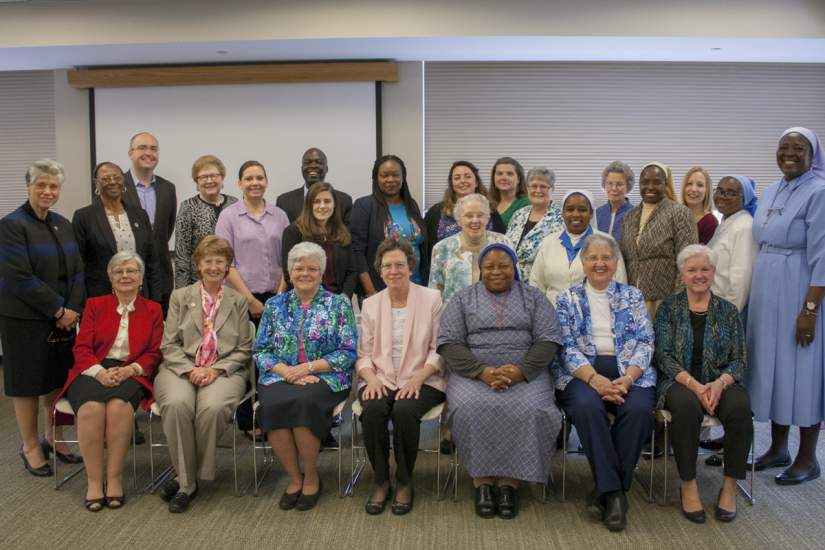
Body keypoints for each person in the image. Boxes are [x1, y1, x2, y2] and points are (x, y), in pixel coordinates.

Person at [437, 243, 563, 520]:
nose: (496, 271)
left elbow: (548, 339)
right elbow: (449, 343)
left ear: (514, 268)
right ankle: (481, 482)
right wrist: (482, 372)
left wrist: (520, 371)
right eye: (489, 266)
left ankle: (510, 482)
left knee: (533, 409)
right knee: (469, 408)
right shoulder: (462, 298)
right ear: (480, 270)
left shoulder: (533, 297)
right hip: (473, 374)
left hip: (526, 373)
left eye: (504, 266)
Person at [554, 233, 656, 532]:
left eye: (606, 258)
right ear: (584, 262)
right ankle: (616, 493)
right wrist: (595, 379)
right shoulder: (566, 298)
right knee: (586, 406)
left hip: (630, 371)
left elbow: (645, 341)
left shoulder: (633, 296)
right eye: (593, 258)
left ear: (615, 263)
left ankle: (607, 490)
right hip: (582, 372)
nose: (600, 263)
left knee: (637, 410)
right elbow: (566, 346)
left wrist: (628, 378)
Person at [747, 127, 825, 485]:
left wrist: (809, 311)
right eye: (783, 147)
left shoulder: (819, 191)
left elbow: (823, 256)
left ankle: (808, 458)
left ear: (813, 155)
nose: (789, 154)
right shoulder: (772, 189)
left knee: (802, 371)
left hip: (800, 286)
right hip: (767, 285)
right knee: (774, 369)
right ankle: (778, 448)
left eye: (798, 148)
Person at [254, 242, 357, 511]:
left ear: (322, 273)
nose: (305, 273)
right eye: (299, 268)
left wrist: (308, 368)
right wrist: (286, 372)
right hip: (279, 375)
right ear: (289, 272)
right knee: (274, 405)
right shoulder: (275, 305)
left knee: (303, 403)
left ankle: (311, 477)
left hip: (326, 376)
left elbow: (348, 351)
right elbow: (261, 350)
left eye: (312, 268)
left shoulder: (338, 304)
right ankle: (294, 477)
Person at [154, 236, 253, 513]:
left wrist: (215, 369)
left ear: (227, 267)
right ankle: (188, 482)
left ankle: (184, 478)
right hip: (179, 367)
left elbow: (244, 349)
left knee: (212, 407)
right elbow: (169, 345)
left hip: (223, 369)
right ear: (198, 265)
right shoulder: (180, 297)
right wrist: (190, 370)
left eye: (219, 262)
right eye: (207, 261)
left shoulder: (237, 301)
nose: (213, 267)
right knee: (176, 404)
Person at [57, 252, 163, 511]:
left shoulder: (153, 309)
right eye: (119, 271)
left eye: (131, 271)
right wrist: (99, 372)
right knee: (91, 408)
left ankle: (114, 479)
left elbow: (154, 352)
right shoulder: (95, 305)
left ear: (140, 278)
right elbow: (82, 348)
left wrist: (129, 371)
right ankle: (94, 481)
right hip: (92, 369)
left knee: (118, 407)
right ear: (110, 278)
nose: (125, 276)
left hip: (132, 371)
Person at [0, 159, 84, 478]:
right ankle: (30, 446)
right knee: (27, 385)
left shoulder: (62, 223)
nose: (48, 191)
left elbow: (76, 270)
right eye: (41, 185)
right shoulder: (11, 225)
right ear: (29, 187)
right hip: (24, 318)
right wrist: (58, 310)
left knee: (56, 382)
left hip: (63, 318)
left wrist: (72, 309)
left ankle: (56, 438)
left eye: (53, 186)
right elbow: (19, 277)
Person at [655, 244, 751, 523]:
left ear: (713, 273)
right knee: (685, 408)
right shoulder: (668, 308)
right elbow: (663, 355)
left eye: (705, 269)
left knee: (740, 407)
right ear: (682, 275)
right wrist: (697, 386)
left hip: (721, 381)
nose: (699, 275)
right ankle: (689, 485)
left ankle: (730, 486)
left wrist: (720, 383)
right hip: (679, 382)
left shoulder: (728, 311)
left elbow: (740, 360)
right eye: (692, 270)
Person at [357, 238, 445, 515]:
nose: (393, 271)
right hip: (381, 378)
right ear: (379, 271)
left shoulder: (431, 298)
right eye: (387, 266)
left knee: (405, 410)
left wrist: (419, 378)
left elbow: (439, 349)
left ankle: (405, 481)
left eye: (399, 265)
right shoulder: (371, 304)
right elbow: (363, 353)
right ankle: (381, 480)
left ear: (410, 267)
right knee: (372, 410)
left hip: (424, 377)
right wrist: (370, 379)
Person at [73, 162, 162, 301]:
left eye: (117, 177)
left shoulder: (140, 214)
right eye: (106, 178)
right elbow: (78, 264)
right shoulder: (84, 217)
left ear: (123, 181)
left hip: (139, 296)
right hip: (101, 297)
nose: (113, 182)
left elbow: (152, 261)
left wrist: (156, 301)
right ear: (96, 183)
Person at [620, 162, 698, 320]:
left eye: (657, 182)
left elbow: (688, 262)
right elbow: (625, 260)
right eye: (645, 182)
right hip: (632, 301)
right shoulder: (628, 217)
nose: (650, 187)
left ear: (666, 185)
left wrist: (678, 303)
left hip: (665, 301)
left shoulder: (679, 213)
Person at [215, 160, 290, 320]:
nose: (255, 183)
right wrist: (249, 300)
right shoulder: (227, 217)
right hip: (241, 300)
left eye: (259, 178)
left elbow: (289, 261)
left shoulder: (280, 216)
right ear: (239, 183)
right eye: (249, 179)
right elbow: (226, 264)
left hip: (277, 299)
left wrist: (280, 296)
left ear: (266, 182)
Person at [530, 190, 626, 305]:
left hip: (595, 315)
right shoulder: (548, 242)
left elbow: (620, 284)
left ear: (591, 214)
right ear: (563, 213)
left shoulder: (607, 242)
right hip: (552, 316)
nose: (575, 214)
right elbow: (536, 284)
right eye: (570, 209)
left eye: (582, 210)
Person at [351, 154, 427, 298]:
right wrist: (370, 291)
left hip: (416, 285)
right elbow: (357, 252)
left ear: (403, 177)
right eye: (384, 175)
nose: (390, 180)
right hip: (380, 289)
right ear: (376, 178)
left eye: (395, 175)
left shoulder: (411, 205)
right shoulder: (364, 206)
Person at [121, 132, 177, 313]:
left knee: (159, 331)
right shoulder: (117, 186)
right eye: (142, 148)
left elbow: (166, 230)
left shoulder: (168, 188)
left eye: (153, 149)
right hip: (126, 273)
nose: (149, 153)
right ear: (130, 153)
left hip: (161, 275)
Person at [429, 193, 513, 304]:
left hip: (496, 315)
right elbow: (434, 294)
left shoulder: (504, 243)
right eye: (469, 216)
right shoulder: (441, 249)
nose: (475, 220)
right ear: (458, 220)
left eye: (480, 215)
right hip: (453, 317)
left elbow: (516, 285)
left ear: (487, 218)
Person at [278, 182, 358, 298]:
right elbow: (288, 272)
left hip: (338, 302)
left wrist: (344, 298)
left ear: (334, 204)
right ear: (308, 205)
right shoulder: (293, 233)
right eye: (316, 201)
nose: (322, 206)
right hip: (306, 301)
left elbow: (352, 271)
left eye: (327, 201)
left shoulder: (342, 233)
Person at [423, 160, 505, 267]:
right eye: (457, 178)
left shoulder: (490, 210)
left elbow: (501, 244)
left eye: (467, 176)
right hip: (448, 275)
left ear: (476, 182)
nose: (462, 181)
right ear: (452, 184)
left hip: (485, 274)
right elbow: (426, 250)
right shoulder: (436, 212)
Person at [173, 155, 238, 288]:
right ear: (197, 182)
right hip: (199, 283)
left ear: (222, 178)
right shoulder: (188, 207)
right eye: (203, 177)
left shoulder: (235, 204)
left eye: (214, 175)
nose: (209, 180)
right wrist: (183, 292)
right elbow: (182, 254)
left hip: (233, 283)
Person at [707, 175, 759, 314]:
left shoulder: (744, 227)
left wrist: (728, 317)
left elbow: (741, 282)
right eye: (719, 190)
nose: (722, 196)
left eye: (731, 193)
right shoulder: (726, 222)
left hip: (727, 310)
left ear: (745, 199)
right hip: (714, 305)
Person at [505, 167, 564, 281]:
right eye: (533, 186)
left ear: (552, 189)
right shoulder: (519, 214)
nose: (538, 190)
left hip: (541, 283)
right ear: (527, 188)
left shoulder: (561, 218)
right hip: (511, 282)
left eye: (543, 186)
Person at [276, 147, 353, 224]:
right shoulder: (284, 202)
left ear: (326, 169)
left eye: (318, 162)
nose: (313, 166)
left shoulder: (344, 201)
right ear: (302, 169)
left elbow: (346, 234)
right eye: (307, 162)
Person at [595, 161, 635, 242]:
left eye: (619, 184)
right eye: (609, 183)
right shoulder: (596, 213)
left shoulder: (635, 214)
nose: (614, 188)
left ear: (628, 186)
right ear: (604, 185)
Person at [681, 167, 718, 244]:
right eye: (689, 184)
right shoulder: (675, 216)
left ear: (707, 190)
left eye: (700, 185)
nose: (694, 189)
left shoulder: (710, 222)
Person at [489, 156, 530, 226]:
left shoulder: (527, 204)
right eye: (500, 173)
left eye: (509, 174)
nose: (504, 178)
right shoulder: (487, 202)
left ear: (518, 179)